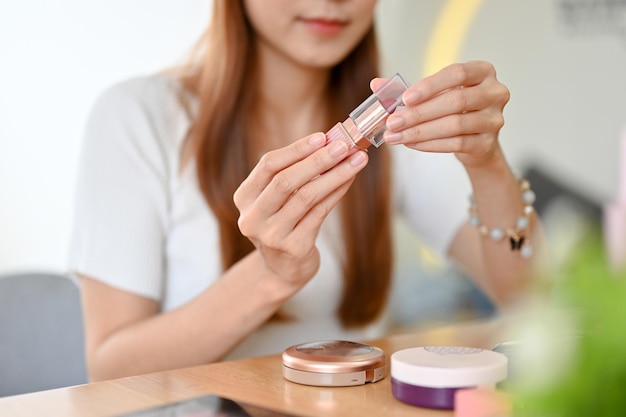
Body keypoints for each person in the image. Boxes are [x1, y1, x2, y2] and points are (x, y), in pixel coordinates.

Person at [69, 0, 543, 382]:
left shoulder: (397, 119)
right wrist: (271, 277)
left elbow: (529, 295)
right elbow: (110, 369)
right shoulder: (137, 118)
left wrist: (486, 164)